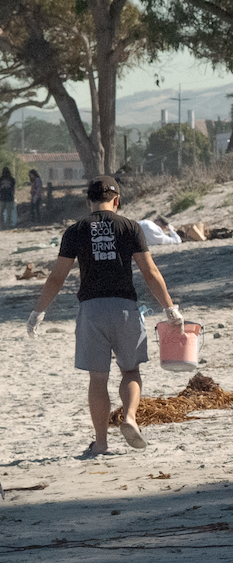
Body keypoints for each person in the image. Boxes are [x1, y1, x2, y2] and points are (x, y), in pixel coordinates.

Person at [27, 176, 184, 457]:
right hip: (124, 307)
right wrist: (170, 308)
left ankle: (101, 443)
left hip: (92, 310)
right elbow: (150, 272)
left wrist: (39, 311)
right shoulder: (130, 227)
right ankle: (130, 418)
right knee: (131, 371)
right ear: (117, 201)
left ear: (89, 202)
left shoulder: (75, 231)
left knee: (97, 379)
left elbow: (56, 278)